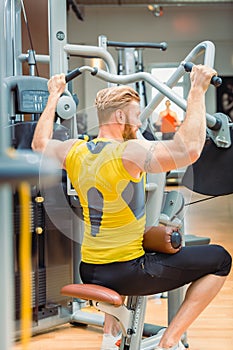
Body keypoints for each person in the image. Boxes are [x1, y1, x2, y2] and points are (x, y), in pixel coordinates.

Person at [31, 65, 232, 350]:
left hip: (89, 268)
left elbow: (39, 144)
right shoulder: (130, 152)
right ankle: (169, 341)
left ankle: (112, 338)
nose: (139, 124)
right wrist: (197, 89)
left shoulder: (75, 149)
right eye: (136, 117)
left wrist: (54, 94)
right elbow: (189, 150)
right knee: (221, 259)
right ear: (120, 115)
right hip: (127, 271)